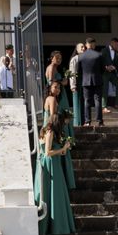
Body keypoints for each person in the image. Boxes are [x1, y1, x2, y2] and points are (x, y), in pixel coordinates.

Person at [34, 112, 75, 235]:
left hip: (52, 163)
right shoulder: (50, 132)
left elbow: (51, 151)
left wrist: (63, 150)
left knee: (53, 192)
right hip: (50, 165)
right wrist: (63, 149)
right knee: (54, 193)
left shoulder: (47, 130)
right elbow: (47, 152)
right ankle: (57, 227)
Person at [45, 50, 76, 188]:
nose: (58, 59)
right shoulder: (51, 68)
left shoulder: (56, 68)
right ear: (51, 58)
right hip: (58, 101)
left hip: (61, 97)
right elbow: (52, 82)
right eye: (56, 57)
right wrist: (62, 82)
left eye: (60, 57)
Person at [78, 37, 105, 127]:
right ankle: (99, 121)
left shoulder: (81, 56)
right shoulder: (99, 55)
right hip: (97, 80)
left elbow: (79, 70)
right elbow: (102, 69)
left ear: (86, 44)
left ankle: (87, 121)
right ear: (93, 44)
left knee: (87, 101)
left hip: (85, 81)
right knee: (98, 100)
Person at [101, 37, 118, 113]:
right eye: (116, 45)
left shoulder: (117, 52)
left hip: (113, 73)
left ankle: (117, 104)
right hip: (105, 73)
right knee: (105, 89)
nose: (117, 46)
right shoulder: (104, 50)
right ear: (112, 43)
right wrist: (106, 67)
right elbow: (100, 61)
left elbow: (117, 64)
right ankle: (104, 107)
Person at [69, 42, 85, 127]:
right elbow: (72, 73)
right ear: (77, 49)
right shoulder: (75, 59)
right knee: (77, 103)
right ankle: (77, 123)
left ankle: (83, 122)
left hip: (84, 84)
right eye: (81, 47)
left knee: (84, 103)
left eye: (84, 47)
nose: (83, 48)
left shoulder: (86, 58)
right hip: (78, 83)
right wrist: (73, 85)